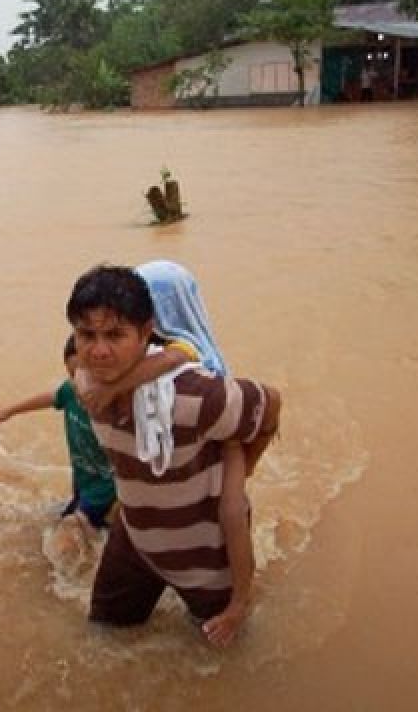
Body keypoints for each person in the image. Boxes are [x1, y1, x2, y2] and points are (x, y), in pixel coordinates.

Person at [67, 265, 281, 648]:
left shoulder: (198, 396)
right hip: (133, 540)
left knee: (224, 652)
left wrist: (243, 469)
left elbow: (269, 405)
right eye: (87, 335)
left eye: (115, 335)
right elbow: (81, 364)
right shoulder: (87, 382)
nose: (98, 351)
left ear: (147, 331)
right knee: (104, 638)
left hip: (205, 553)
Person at [0, 336, 116, 536]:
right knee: (86, 526)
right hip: (83, 477)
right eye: (73, 376)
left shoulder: (109, 407)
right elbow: (49, 398)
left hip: (106, 486)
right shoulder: (70, 391)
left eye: (87, 377)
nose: (80, 385)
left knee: (70, 529)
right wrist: (9, 411)